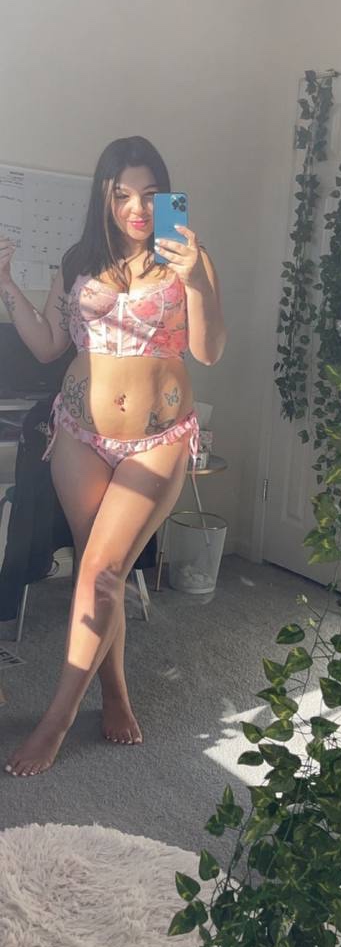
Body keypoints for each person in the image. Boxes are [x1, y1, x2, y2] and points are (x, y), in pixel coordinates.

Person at [0, 136, 225, 777]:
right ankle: (115, 692)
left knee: (102, 569)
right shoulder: (78, 260)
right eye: (122, 194)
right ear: (104, 196)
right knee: (101, 571)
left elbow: (208, 351)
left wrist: (196, 279)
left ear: (167, 197)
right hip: (79, 434)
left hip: (157, 439)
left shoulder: (187, 260)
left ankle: (56, 718)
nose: (137, 209)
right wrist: (5, 285)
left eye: (151, 195)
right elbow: (48, 345)